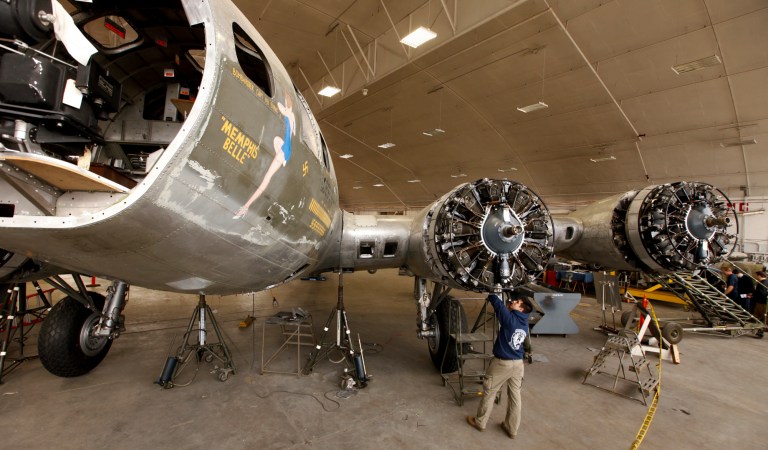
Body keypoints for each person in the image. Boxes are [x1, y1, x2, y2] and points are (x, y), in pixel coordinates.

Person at [466, 289, 532, 439]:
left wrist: (491, 291)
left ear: (521, 309)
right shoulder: (523, 322)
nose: (513, 302)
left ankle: (480, 422)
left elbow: (497, 304)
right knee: (515, 397)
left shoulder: (510, 320)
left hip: (503, 364)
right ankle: (511, 428)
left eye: (517, 302)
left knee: (490, 391)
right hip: (518, 364)